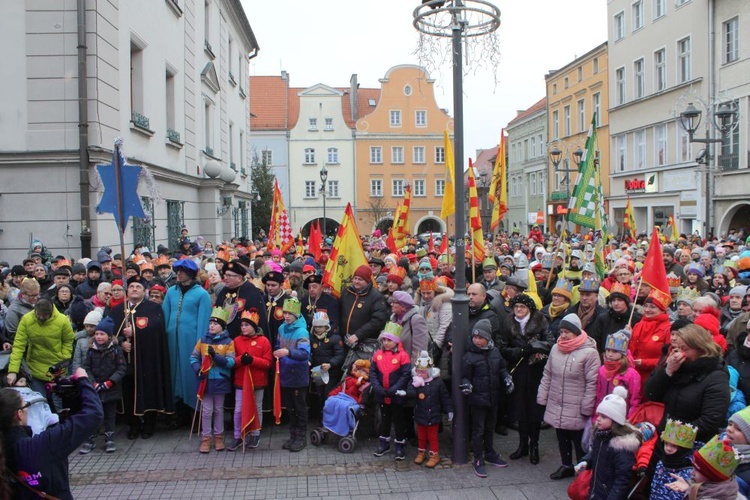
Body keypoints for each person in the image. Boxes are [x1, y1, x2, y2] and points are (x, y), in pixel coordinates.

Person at [0, 367, 103, 500]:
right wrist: (83, 380)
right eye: (26, 405)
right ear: (19, 414)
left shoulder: (11, 446)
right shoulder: (42, 445)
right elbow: (93, 414)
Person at [645, 323, 730, 460]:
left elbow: (711, 419)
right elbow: (651, 394)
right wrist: (667, 371)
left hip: (690, 448)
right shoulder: (677, 366)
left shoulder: (716, 376)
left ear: (701, 349)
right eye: (677, 348)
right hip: (665, 441)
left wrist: (675, 436)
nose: (680, 353)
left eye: (685, 349)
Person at [537, 313, 600, 480]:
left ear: (577, 332)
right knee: (561, 436)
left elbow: (592, 382)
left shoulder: (590, 353)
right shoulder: (555, 348)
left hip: (577, 404)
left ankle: (582, 470)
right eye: (561, 332)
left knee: (578, 440)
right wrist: (542, 395)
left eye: (567, 332)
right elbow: (548, 373)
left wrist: (587, 406)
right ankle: (566, 465)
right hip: (557, 401)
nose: (563, 335)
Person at [111, 276, 174, 439]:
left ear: (144, 291)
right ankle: (133, 425)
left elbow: (157, 330)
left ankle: (149, 424)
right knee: (129, 393)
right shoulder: (118, 310)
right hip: (127, 363)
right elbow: (107, 334)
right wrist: (120, 342)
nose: (134, 289)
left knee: (149, 390)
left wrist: (136, 333)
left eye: (138, 287)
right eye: (131, 286)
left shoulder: (153, 308)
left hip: (147, 360)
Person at [499, 293, 552, 465]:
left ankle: (534, 445)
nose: (519, 310)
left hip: (536, 369)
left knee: (534, 410)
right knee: (520, 408)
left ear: (529, 308)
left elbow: (550, 342)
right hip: (518, 369)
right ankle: (522, 445)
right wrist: (518, 352)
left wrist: (533, 347)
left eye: (522, 307)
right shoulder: (508, 322)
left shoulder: (540, 320)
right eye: (516, 307)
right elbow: (502, 346)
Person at [461, 319, 512, 478]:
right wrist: (467, 386)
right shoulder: (469, 356)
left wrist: (507, 378)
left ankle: (490, 452)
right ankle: (478, 457)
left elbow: (502, 368)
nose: (477, 340)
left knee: (490, 428)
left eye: (480, 337)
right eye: (475, 337)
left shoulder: (495, 352)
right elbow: (465, 377)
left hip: (493, 397)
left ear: (488, 338)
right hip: (478, 400)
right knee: (479, 430)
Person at [5, 299, 74, 410]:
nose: (41, 317)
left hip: (57, 369)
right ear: (35, 310)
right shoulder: (26, 320)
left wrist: (64, 359)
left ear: (51, 312)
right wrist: (13, 371)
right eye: (38, 315)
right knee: (40, 403)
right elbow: (18, 346)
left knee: (58, 406)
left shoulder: (63, 321)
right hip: (35, 368)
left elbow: (68, 341)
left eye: (44, 315)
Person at [574, 387, 642, 499]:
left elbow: (622, 479)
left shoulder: (621, 446)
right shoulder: (601, 435)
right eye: (599, 415)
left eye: (603, 416)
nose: (598, 419)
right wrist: (586, 461)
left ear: (615, 420)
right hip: (596, 490)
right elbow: (596, 452)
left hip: (609, 494)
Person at [163, 259, 212, 412]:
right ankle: (174, 408)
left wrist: (200, 345)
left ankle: (192, 407)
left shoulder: (201, 294)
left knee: (190, 372)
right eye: (177, 271)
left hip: (190, 340)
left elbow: (204, 321)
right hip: (171, 339)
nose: (178, 274)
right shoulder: (171, 291)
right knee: (172, 371)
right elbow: (165, 315)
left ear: (190, 274)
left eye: (182, 271)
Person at [190, 307, 235, 454]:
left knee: (218, 410)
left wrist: (215, 356)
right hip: (206, 381)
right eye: (210, 323)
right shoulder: (203, 340)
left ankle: (218, 437)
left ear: (222, 326)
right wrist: (198, 370)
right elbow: (194, 357)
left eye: (215, 324)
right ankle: (205, 438)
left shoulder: (229, 342)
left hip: (220, 380)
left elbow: (230, 362)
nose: (211, 326)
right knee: (207, 410)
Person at [80, 317, 127, 454]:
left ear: (109, 336)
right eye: (97, 334)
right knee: (94, 414)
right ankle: (90, 439)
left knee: (110, 415)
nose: (99, 337)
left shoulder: (116, 350)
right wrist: (93, 382)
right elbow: (86, 368)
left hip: (111, 388)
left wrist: (109, 382)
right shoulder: (90, 350)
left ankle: (109, 438)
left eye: (102, 334)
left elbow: (121, 368)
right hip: (95, 388)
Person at [228, 308, 272, 451]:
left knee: (257, 407)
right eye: (242, 325)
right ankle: (238, 436)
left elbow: (267, 363)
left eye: (246, 325)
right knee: (239, 409)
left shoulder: (263, 341)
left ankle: (255, 434)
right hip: (241, 382)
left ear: (254, 326)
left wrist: (252, 360)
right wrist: (242, 360)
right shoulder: (236, 341)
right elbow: (232, 361)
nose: (243, 327)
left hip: (258, 382)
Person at [274, 297, 311, 452]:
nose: (287, 316)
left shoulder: (302, 331)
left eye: (290, 313)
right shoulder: (282, 328)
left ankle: (301, 436)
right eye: (285, 313)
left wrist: (288, 352)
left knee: (299, 407)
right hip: (285, 373)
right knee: (290, 407)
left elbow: (304, 354)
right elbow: (278, 344)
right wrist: (277, 352)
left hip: (298, 375)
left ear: (297, 315)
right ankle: (293, 435)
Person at [371, 322, 411, 460]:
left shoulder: (403, 356)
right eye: (384, 340)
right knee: (385, 418)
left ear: (396, 341)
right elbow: (373, 373)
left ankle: (400, 444)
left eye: (389, 340)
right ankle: (384, 443)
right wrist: (378, 388)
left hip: (397, 394)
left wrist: (394, 389)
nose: (386, 343)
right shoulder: (377, 355)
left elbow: (405, 375)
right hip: (382, 394)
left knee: (399, 419)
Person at [409, 350, 453, 469]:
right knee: (421, 436)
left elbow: (445, 397)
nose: (420, 374)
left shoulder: (438, 383)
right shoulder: (415, 382)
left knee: (432, 437)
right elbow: (410, 395)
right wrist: (414, 387)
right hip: (420, 414)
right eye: (418, 372)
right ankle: (421, 452)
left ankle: (434, 455)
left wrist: (449, 410)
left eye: (422, 372)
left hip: (434, 415)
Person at [665, 436, 741, 499]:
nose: (692, 472)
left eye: (697, 469)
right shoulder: (702, 488)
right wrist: (690, 487)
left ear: (711, 476)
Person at [595, 330, 641, 420]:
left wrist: (629, 419)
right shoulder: (602, 370)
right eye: (608, 350)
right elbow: (598, 395)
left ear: (623, 354)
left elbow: (635, 400)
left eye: (615, 351)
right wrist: (596, 415)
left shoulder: (631, 374)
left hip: (621, 417)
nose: (610, 354)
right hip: (603, 416)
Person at [339, 265, 389, 347]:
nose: (356, 281)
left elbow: (377, 321)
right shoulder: (346, 292)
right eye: (355, 278)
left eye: (360, 279)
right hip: (344, 340)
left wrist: (358, 335)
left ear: (367, 281)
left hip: (364, 343)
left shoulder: (376, 296)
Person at [629, 291, 672, 383]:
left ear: (662, 310)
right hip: (633, 375)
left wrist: (644, 363)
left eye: (652, 307)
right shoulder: (638, 325)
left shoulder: (668, 329)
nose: (647, 310)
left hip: (653, 377)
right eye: (646, 306)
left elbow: (669, 358)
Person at [308, 311, 344, 420]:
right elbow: (309, 352)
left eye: (320, 326)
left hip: (331, 372)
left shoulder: (335, 338)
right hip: (317, 371)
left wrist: (330, 364)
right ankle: (322, 418)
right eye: (316, 326)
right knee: (319, 395)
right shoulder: (312, 338)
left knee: (329, 395)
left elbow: (340, 355)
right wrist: (309, 360)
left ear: (326, 326)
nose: (318, 329)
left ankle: (330, 418)